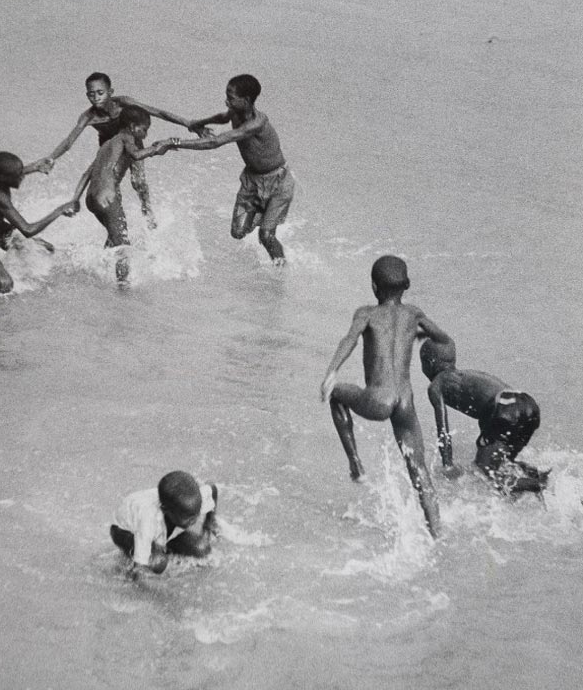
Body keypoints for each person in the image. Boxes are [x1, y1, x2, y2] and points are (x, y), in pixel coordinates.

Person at [320, 255, 453, 538]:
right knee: (418, 469)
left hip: (377, 400)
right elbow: (444, 339)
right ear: (406, 286)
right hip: (405, 403)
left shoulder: (366, 313)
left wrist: (332, 372)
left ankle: (356, 464)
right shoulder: (414, 315)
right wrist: (417, 336)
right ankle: (437, 533)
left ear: (373, 286)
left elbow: (349, 340)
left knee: (336, 394)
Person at [150, 74, 295, 264]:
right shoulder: (235, 112)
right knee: (238, 233)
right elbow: (223, 117)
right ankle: (265, 215)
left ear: (247, 100)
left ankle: (281, 272)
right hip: (252, 181)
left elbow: (215, 142)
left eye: (231, 98)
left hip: (278, 181)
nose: (226, 101)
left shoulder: (256, 123)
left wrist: (172, 142)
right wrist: (199, 123)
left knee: (266, 236)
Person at [36, 72, 193, 227]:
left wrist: (188, 123)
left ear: (110, 92)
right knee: (106, 178)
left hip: (132, 142)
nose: (96, 97)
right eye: (91, 94)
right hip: (109, 145)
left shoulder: (123, 103)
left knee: (138, 181)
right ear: (87, 95)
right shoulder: (89, 116)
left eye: (100, 93)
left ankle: (147, 210)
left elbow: (157, 112)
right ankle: (111, 214)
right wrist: (51, 158)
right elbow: (69, 141)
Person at [419, 337, 549, 494]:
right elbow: (488, 409)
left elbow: (443, 429)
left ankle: (538, 484)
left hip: (506, 408)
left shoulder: (437, 385)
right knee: (503, 466)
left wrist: (448, 465)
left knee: (483, 471)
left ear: (429, 362)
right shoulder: (467, 376)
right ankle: (536, 475)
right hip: (526, 405)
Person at [71, 105, 170, 282]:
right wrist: (161, 147)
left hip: (91, 199)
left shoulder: (107, 145)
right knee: (124, 245)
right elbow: (137, 156)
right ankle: (122, 289)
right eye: (144, 130)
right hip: (107, 198)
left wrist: (74, 200)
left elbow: (86, 174)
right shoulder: (127, 138)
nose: (146, 135)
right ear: (132, 127)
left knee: (114, 236)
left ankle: (97, 271)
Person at [0, 151, 77, 293]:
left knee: (47, 249)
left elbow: (10, 173)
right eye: (19, 175)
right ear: (3, 178)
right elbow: (28, 230)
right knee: (5, 286)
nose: (22, 177)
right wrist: (58, 211)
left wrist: (35, 167)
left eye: (22, 172)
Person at [110, 471, 219, 579]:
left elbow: (212, 488)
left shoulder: (194, 501)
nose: (194, 520)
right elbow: (139, 563)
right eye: (189, 518)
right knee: (158, 563)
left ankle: (162, 545)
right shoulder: (148, 520)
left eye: (197, 513)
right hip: (124, 530)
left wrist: (209, 523)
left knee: (202, 548)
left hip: (164, 523)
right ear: (166, 510)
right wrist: (132, 576)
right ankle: (155, 548)